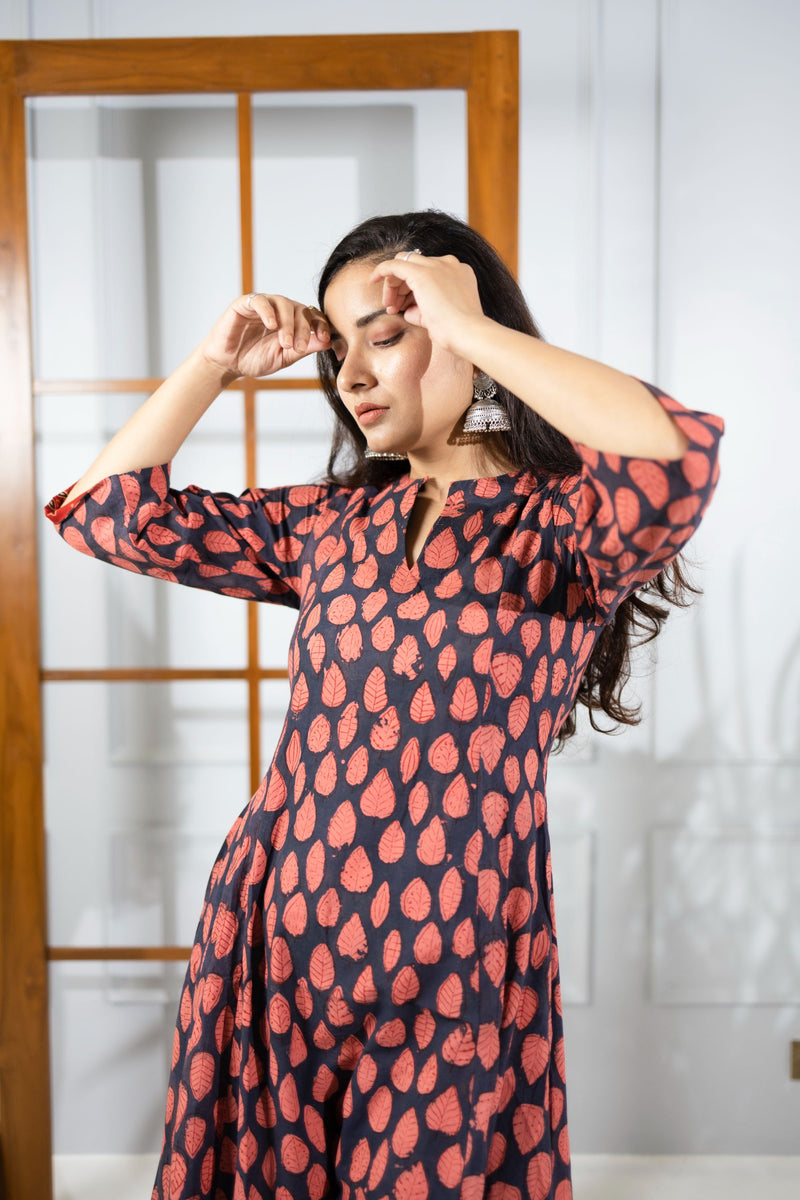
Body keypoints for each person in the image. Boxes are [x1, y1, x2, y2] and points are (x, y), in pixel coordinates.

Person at [45, 209, 724, 1200]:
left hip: (452, 956)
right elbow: (106, 516)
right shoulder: (331, 524)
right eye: (339, 348)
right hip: (277, 933)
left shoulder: (561, 529)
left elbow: (674, 461)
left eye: (388, 335)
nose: (352, 376)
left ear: (462, 336)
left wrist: (473, 326)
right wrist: (211, 364)